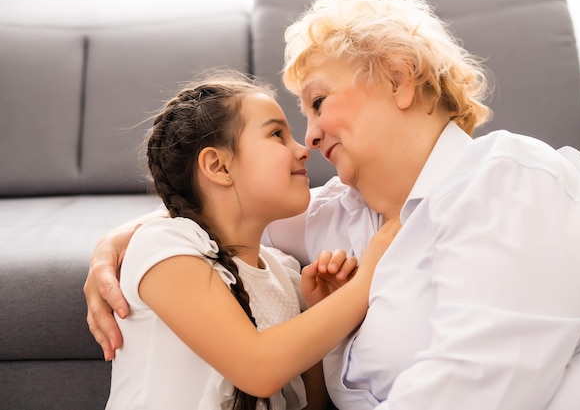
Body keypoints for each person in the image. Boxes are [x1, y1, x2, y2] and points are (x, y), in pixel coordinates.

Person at [86, 0, 580, 409]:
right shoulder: (335, 214)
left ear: (398, 78)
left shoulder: (511, 183)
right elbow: (224, 214)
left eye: (318, 102)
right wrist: (117, 244)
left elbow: (474, 388)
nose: (311, 138)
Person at [101, 68, 400, 410]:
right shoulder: (165, 248)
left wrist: (322, 310)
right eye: (276, 134)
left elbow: (309, 404)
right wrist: (368, 277)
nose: (303, 149)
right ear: (218, 166)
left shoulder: (284, 273)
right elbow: (258, 369)